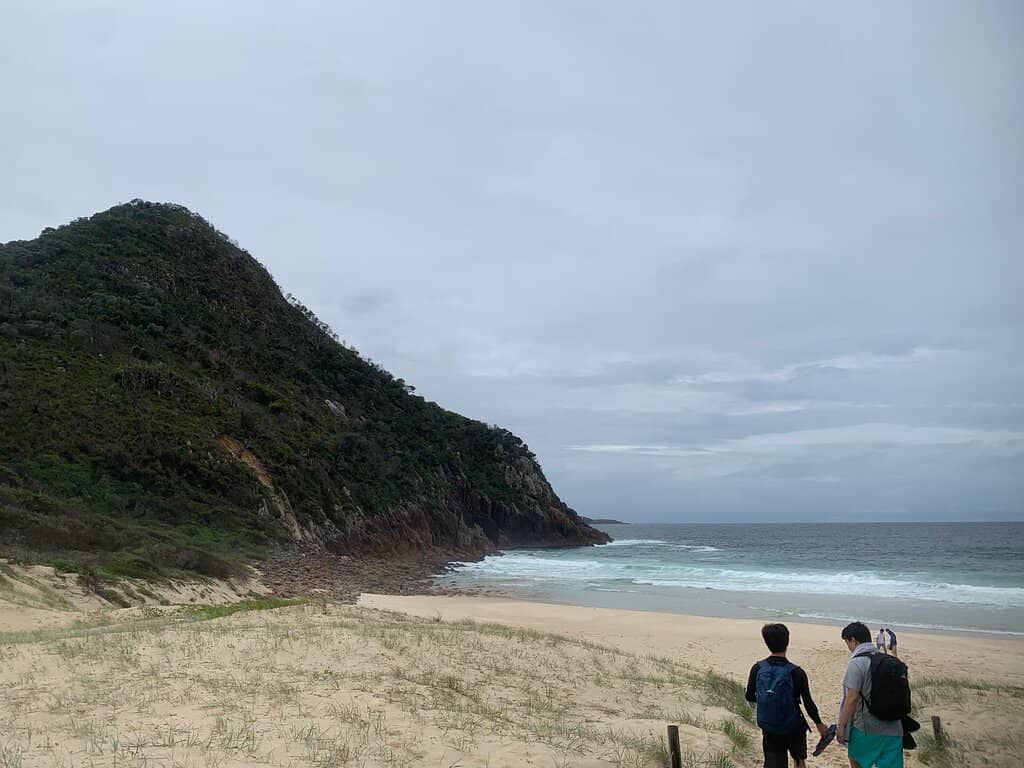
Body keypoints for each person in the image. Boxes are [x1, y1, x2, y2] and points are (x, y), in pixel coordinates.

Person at [745, 623, 830, 768]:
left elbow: (749, 696)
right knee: (799, 760)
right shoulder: (797, 672)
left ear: (766, 642)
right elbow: (808, 703)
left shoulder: (758, 668)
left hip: (770, 726)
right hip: (794, 725)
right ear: (787, 641)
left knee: (774, 762)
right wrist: (819, 724)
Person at [837, 622, 904, 768]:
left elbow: (852, 698)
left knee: (856, 760)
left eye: (847, 642)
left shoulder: (857, 663)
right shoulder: (889, 661)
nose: (848, 647)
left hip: (866, 729)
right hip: (895, 728)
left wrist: (841, 726)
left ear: (853, 641)